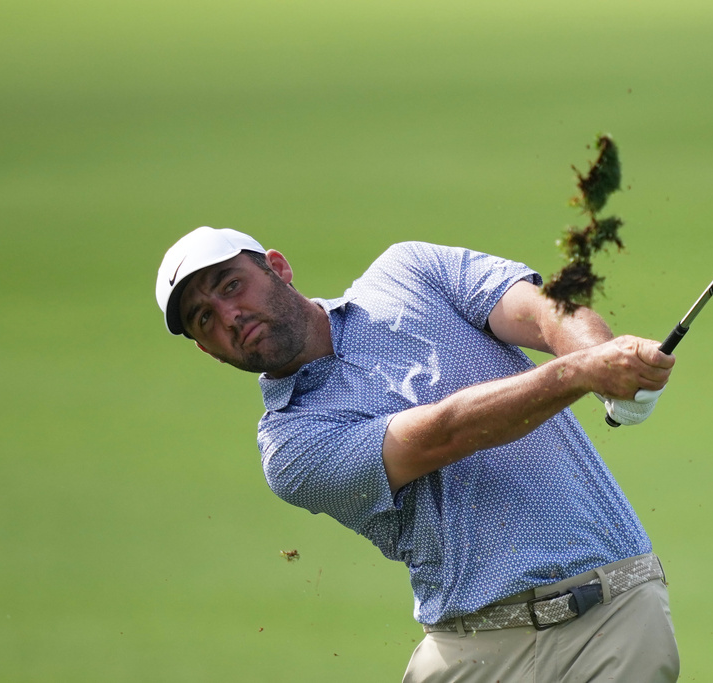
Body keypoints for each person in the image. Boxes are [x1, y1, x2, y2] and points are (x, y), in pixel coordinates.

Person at [155, 226, 680, 682]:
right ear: (207, 349)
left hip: (614, 614)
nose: (229, 315)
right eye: (204, 318)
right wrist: (583, 372)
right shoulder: (290, 447)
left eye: (231, 285)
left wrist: (606, 365)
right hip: (472, 651)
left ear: (278, 267)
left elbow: (541, 313)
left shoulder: (410, 270)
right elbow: (443, 434)